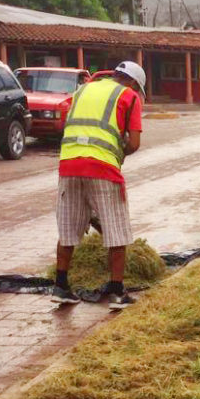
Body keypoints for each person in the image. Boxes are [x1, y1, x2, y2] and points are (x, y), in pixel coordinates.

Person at [51, 61, 145, 308]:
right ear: (134, 83)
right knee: (116, 229)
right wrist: (118, 149)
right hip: (102, 167)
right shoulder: (129, 96)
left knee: (69, 229)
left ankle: (60, 286)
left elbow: (63, 124)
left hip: (68, 164)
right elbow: (134, 143)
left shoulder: (83, 89)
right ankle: (116, 292)